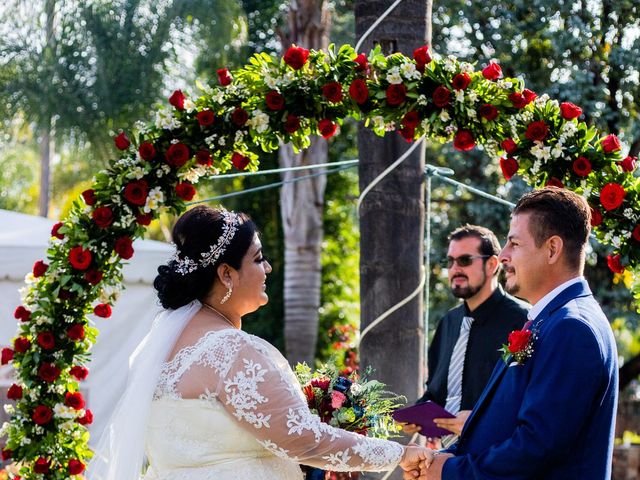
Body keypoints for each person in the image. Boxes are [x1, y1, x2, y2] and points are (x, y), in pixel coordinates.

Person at [88, 205, 434, 480]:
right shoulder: (231, 350)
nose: (267, 268)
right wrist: (400, 454)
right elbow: (303, 439)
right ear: (226, 274)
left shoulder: (161, 349)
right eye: (257, 258)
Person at [426, 188, 619, 479]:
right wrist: (442, 458)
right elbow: (506, 424)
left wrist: (452, 471)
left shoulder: (573, 328)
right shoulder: (550, 319)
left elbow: (537, 446)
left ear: (552, 249)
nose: (502, 256)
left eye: (514, 243)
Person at [403, 225, 528, 441]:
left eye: (464, 260)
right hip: (446, 457)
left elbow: (526, 400)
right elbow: (436, 392)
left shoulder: (524, 321)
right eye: (449, 262)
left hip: (497, 459)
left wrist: (479, 423)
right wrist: (418, 415)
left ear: (492, 264)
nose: (454, 269)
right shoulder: (448, 323)